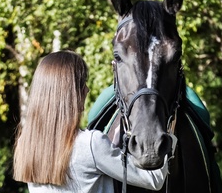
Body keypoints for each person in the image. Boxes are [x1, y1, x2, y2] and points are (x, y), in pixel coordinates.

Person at [13, 50, 177, 193]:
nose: (87, 90)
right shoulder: (90, 144)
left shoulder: (25, 143)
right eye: (82, 84)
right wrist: (170, 132)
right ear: (69, 94)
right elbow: (153, 181)